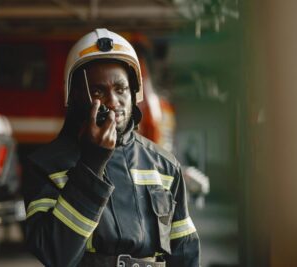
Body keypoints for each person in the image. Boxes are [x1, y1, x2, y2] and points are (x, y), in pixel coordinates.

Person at [23, 28, 200, 267]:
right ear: (75, 96)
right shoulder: (45, 166)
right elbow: (55, 255)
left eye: (120, 89)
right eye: (98, 91)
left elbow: (185, 252)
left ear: (133, 92)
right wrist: (91, 165)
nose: (113, 102)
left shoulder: (164, 165)